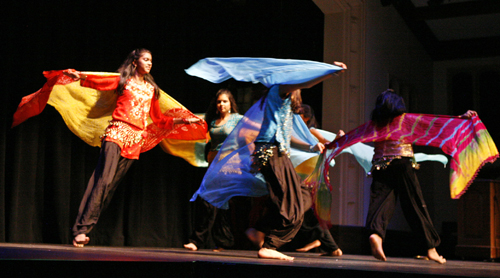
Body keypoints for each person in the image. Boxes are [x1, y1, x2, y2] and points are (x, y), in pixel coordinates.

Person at [64, 49, 205, 247]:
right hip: (117, 133)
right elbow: (100, 81)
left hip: (135, 141)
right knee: (103, 180)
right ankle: (81, 230)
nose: (149, 63)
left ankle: (84, 228)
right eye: (146, 59)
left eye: (151, 61)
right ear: (134, 62)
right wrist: (81, 75)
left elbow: (158, 119)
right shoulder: (123, 81)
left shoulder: (150, 89)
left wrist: (182, 120)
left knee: (110, 187)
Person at [184, 89, 243, 252]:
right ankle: (225, 242)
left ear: (231, 103)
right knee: (221, 205)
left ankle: (197, 240)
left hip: (230, 165)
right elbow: (195, 121)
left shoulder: (238, 120)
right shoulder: (212, 121)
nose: (221, 104)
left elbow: (251, 134)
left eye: (225, 101)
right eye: (219, 102)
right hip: (214, 164)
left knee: (208, 201)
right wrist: (178, 121)